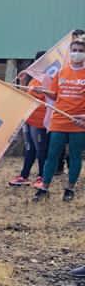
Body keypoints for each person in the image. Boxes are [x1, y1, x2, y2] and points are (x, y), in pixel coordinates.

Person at [34, 36, 85, 202]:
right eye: (74, 50)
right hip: (59, 120)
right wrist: (44, 91)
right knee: (52, 155)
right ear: (69, 52)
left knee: (75, 156)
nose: (77, 54)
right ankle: (44, 188)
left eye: (80, 51)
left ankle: (69, 189)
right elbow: (55, 94)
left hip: (78, 123)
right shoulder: (61, 71)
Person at [8, 54, 48, 189]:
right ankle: (24, 176)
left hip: (40, 121)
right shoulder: (34, 79)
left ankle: (42, 176)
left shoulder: (49, 78)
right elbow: (26, 96)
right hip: (29, 119)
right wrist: (23, 82)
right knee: (29, 148)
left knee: (40, 150)